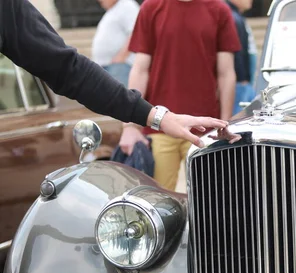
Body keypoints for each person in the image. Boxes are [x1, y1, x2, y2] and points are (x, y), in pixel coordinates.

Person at [0, 0, 229, 148]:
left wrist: (157, 117)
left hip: (186, 117)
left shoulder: (217, 9)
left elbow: (68, 69)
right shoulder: (151, 8)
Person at [121, 0, 241, 191]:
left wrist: (224, 122)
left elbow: (226, 73)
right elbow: (140, 69)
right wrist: (129, 126)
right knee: (157, 202)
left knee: (207, 200)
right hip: (157, 124)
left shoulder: (219, 10)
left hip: (204, 128)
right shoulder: (151, 7)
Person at [91, 0, 140, 86]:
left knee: (119, 98)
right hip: (107, 66)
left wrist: (121, 57)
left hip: (120, 66)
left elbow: (136, 32)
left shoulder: (127, 6)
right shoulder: (112, 10)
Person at [226, 0, 257, 115]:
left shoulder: (236, 16)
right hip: (239, 82)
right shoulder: (232, 17)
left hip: (242, 81)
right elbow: (236, 51)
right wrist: (242, 78)